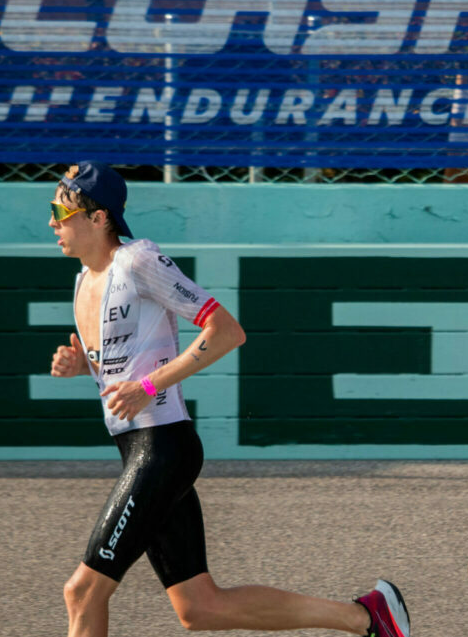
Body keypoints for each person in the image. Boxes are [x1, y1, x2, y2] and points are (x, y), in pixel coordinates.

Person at [48, 161, 410, 637]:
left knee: (83, 591)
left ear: (98, 217)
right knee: (200, 608)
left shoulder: (138, 261)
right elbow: (120, 371)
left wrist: (150, 387)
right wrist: (84, 367)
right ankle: (368, 616)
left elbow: (226, 331)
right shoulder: (82, 282)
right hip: (139, 451)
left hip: (162, 448)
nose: (53, 222)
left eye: (61, 209)